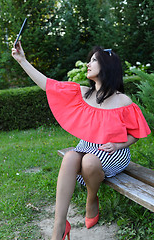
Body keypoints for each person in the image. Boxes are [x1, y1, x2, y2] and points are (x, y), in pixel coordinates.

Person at [12, 42, 151, 240]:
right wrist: (22, 60)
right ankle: (59, 227)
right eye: (89, 60)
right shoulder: (83, 93)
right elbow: (47, 84)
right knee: (69, 157)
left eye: (94, 60)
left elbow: (136, 134)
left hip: (113, 153)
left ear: (107, 66)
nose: (88, 64)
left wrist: (119, 144)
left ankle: (91, 199)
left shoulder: (123, 101)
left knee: (89, 161)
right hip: (86, 147)